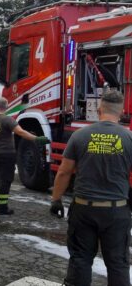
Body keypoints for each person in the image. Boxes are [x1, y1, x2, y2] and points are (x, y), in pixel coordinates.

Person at [50, 90, 132, 286]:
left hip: (83, 208)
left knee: (80, 260)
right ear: (120, 112)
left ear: (99, 108)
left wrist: (56, 199)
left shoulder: (80, 135)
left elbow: (64, 172)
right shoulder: (128, 138)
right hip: (116, 210)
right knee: (118, 264)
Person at [0, 97, 49, 215]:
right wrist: (36, 139)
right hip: (7, 155)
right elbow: (21, 132)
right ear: (6, 107)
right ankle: (2, 208)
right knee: (5, 180)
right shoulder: (8, 120)